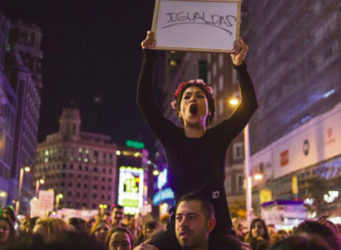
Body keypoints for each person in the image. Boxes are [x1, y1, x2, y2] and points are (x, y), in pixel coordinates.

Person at [137, 30, 257, 250]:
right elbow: (144, 101)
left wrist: (240, 66)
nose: (193, 99)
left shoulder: (218, 138)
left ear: (208, 110)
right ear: (179, 111)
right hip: (179, 227)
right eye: (187, 97)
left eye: (200, 96)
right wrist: (149, 54)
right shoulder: (171, 137)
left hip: (218, 228)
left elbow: (249, 105)